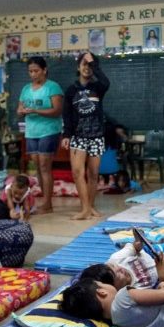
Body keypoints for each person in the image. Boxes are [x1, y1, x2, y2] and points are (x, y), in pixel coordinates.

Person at [62, 52, 111, 220]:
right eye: (84, 64)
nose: (87, 67)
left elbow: (106, 82)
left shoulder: (98, 88)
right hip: (78, 136)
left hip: (96, 136)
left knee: (93, 173)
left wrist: (94, 64)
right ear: (78, 66)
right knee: (77, 172)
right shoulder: (71, 90)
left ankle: (90, 207)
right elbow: (66, 114)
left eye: (90, 65)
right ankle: (84, 209)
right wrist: (66, 135)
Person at [17, 56, 63, 214]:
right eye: (30, 71)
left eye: (36, 70)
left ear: (44, 70)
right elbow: (19, 110)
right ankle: (45, 200)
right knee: (37, 167)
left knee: (45, 166)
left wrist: (36, 110)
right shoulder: (25, 89)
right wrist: (21, 112)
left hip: (49, 130)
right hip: (31, 131)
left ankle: (48, 204)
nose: (33, 74)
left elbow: (57, 110)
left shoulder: (53, 87)